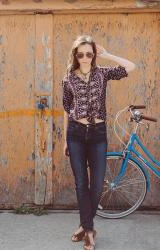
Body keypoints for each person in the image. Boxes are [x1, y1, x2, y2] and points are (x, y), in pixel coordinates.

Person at [62, 35, 136, 250]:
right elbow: (66, 109)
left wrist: (107, 54)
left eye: (89, 54)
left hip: (97, 134)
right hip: (75, 134)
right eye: (81, 54)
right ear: (75, 55)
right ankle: (90, 232)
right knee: (80, 184)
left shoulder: (102, 73)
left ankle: (84, 226)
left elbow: (131, 66)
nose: (85, 58)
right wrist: (65, 138)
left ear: (93, 55)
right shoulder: (68, 77)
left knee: (96, 186)